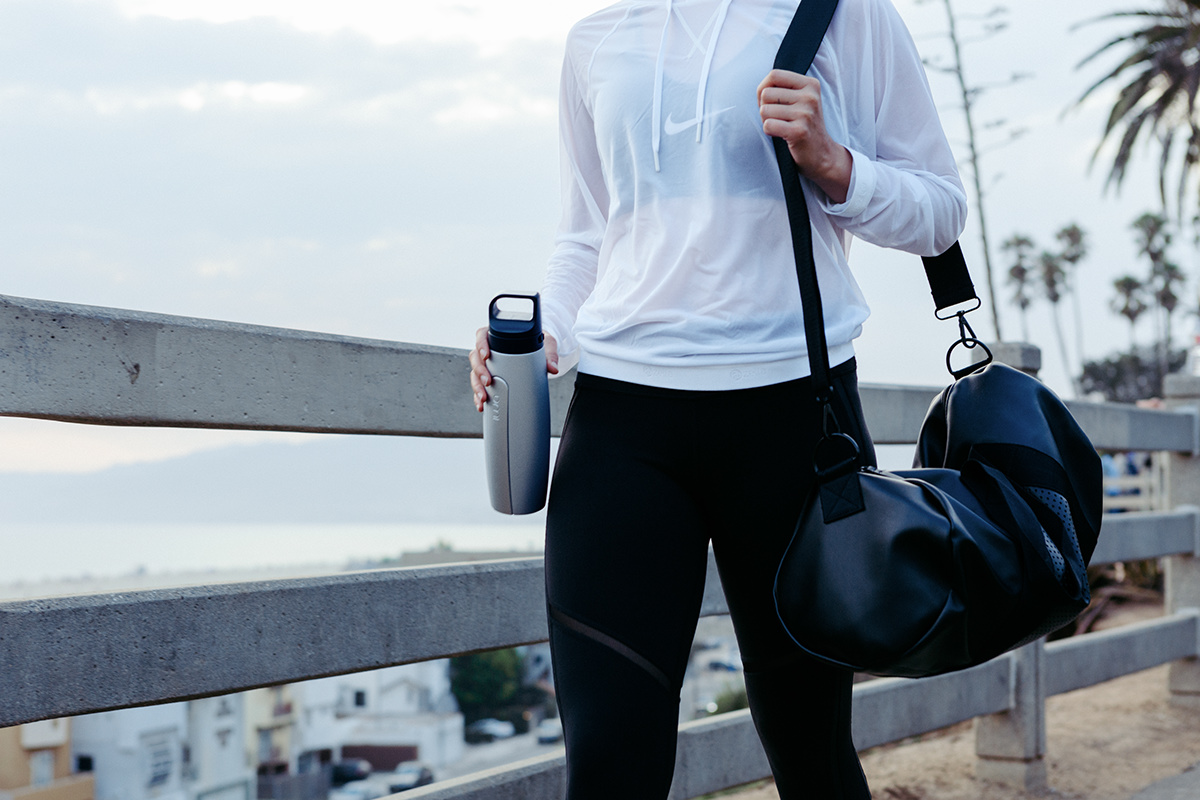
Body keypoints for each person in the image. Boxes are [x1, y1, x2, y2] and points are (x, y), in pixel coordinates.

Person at [470, 0, 966, 796]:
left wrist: (836, 163)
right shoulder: (599, 37)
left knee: (809, 747)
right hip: (622, 423)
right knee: (606, 760)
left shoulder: (847, 15)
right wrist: (544, 331)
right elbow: (587, 234)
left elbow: (941, 208)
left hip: (798, 421)